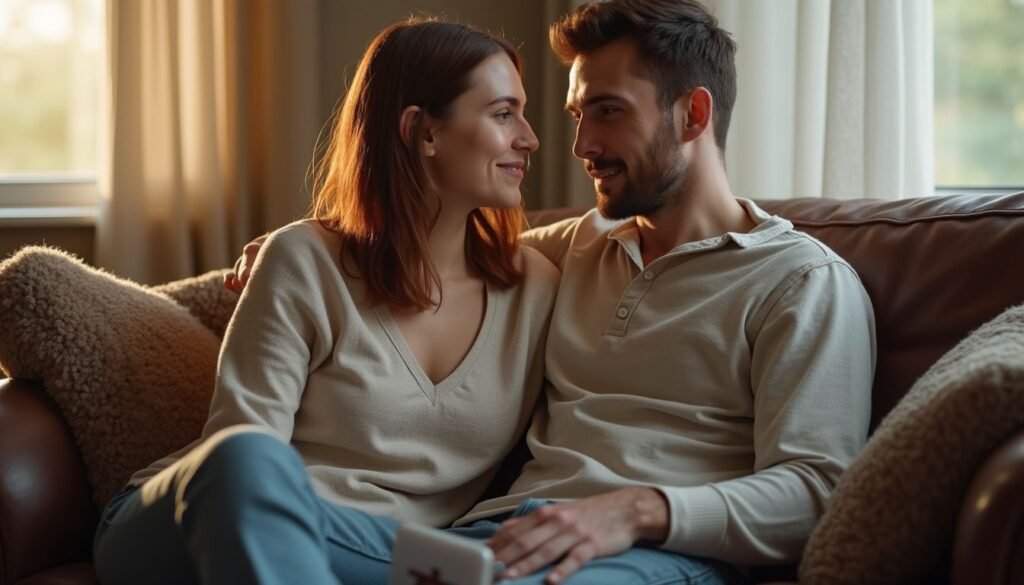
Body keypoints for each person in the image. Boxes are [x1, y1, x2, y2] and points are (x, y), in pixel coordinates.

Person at [228, 1, 876, 584]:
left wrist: (637, 509)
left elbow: (821, 490)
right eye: (576, 114)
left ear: (693, 114)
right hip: (494, 537)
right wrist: (326, 247)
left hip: (652, 555)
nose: (580, 146)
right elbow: (430, 247)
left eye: (608, 111)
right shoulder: (571, 251)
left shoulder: (800, 281)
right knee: (238, 489)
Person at [93, 18, 559, 585]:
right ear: (424, 132)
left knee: (461, 559)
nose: (530, 138)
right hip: (193, 516)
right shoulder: (304, 259)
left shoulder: (536, 286)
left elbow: (623, 230)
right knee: (244, 459)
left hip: (369, 551)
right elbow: (242, 442)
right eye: (503, 113)